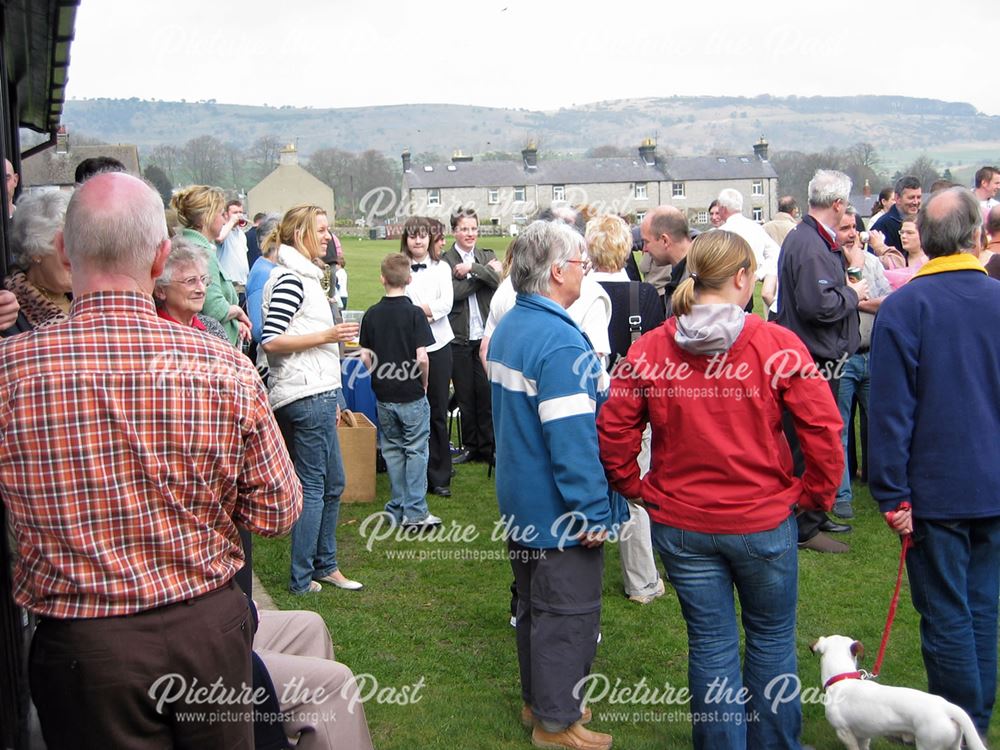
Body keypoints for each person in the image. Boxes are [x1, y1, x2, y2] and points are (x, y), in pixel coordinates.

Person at [0, 172, 302, 747]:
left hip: (85, 650)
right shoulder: (224, 368)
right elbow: (279, 511)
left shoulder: (11, 370)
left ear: (65, 249)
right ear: (163, 255)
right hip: (204, 629)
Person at [598, 230, 842, 750]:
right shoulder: (773, 342)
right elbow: (824, 428)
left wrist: (631, 484)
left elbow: (614, 425)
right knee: (769, 641)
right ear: (741, 277)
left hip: (689, 522)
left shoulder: (655, 346)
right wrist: (816, 498)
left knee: (712, 645)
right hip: (753, 520)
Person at [872, 186, 1000, 738]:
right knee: (980, 609)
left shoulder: (906, 306)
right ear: (975, 237)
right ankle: (972, 725)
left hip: (938, 491)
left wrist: (890, 492)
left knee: (951, 614)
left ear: (923, 235)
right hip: (982, 484)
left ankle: (961, 728)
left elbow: (889, 413)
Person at [488, 220, 614, 750]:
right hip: (558, 511)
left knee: (534, 609)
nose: (585, 269)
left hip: (521, 500)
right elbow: (572, 440)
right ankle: (555, 724)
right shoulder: (559, 341)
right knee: (567, 615)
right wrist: (592, 510)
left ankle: (541, 702)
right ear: (558, 270)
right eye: (581, 261)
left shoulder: (514, 323)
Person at [260, 205, 363, 594]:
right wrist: (328, 335)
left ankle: (326, 566)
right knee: (316, 486)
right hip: (304, 396)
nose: (327, 236)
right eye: (321, 230)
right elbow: (271, 340)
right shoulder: (290, 279)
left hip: (319, 393)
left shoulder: (306, 277)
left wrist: (336, 394)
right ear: (300, 233)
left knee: (333, 483)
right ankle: (302, 579)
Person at [776, 169, 869, 553]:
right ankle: (804, 524)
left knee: (812, 440)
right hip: (815, 358)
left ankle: (814, 511)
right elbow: (818, 306)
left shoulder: (809, 238)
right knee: (810, 441)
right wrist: (851, 293)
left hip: (814, 355)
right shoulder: (811, 245)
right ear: (837, 204)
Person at [585, 213, 665, 605]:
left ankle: (584, 576)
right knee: (635, 491)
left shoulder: (575, 294)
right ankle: (642, 581)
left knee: (586, 488)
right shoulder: (645, 296)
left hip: (585, 405)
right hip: (632, 408)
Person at [360, 253, 437, 526]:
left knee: (392, 450)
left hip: (384, 394)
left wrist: (378, 377)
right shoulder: (415, 314)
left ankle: (397, 506)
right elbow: (423, 358)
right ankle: (415, 511)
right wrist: (424, 381)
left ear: (382, 278)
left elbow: (365, 357)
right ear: (409, 279)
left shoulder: (370, 314)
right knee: (416, 450)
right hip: (411, 393)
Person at [831, 207, 892, 519]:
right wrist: (857, 299)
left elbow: (889, 301)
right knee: (839, 429)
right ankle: (842, 495)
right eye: (844, 227)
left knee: (881, 424)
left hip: (873, 354)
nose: (852, 233)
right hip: (843, 358)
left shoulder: (872, 262)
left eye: (854, 227)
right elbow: (833, 308)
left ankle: (886, 489)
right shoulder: (830, 266)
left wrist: (855, 300)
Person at [255, 607, 376, 750]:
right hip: (226, 653)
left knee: (311, 627)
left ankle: (294, 740)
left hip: (235, 621)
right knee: (335, 684)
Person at [402, 216, 455, 497]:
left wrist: (417, 311)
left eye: (423, 236)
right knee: (411, 411)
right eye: (413, 236)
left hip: (439, 346)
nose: (418, 241)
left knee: (437, 411)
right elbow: (398, 301)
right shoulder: (400, 266)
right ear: (406, 239)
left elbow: (445, 303)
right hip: (408, 348)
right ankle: (413, 473)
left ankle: (440, 475)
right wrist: (413, 312)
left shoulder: (442, 267)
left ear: (430, 239)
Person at [443, 207, 501, 464]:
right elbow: (453, 293)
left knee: (486, 391)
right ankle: (470, 446)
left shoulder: (486, 254)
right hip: (459, 336)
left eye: (473, 228)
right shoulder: (445, 260)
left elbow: (498, 278)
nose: (469, 233)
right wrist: (482, 274)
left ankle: (488, 447)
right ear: (454, 231)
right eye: (464, 229)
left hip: (486, 335)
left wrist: (472, 267)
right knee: (465, 394)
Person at [170, 185, 251, 346]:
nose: (224, 220)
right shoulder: (199, 252)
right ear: (206, 217)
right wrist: (238, 312)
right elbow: (214, 309)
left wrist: (235, 323)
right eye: (221, 214)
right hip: (215, 345)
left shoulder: (191, 245)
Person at [5, 190, 72, 331]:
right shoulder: (8, 309)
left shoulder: (85, 297)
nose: (77, 255)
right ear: (36, 250)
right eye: (67, 243)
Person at [153, 237, 229, 341]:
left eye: (203, 279)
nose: (201, 289)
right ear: (160, 290)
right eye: (190, 281)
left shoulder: (213, 329)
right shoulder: (154, 333)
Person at [640, 206, 693, 317]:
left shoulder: (698, 280)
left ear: (665, 240)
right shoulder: (687, 271)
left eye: (646, 242)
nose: (644, 249)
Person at [871, 175, 922, 252]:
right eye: (911, 198)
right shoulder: (882, 225)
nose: (915, 202)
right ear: (897, 198)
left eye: (918, 197)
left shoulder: (926, 221)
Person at [883, 218, 929, 289]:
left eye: (910, 233)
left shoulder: (931, 259)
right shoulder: (897, 260)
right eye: (901, 232)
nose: (903, 236)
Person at [217, 198, 251, 293]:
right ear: (226, 214)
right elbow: (219, 238)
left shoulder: (241, 234)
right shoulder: (223, 230)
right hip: (230, 284)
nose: (239, 215)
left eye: (241, 212)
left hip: (243, 284)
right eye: (235, 212)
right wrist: (231, 221)